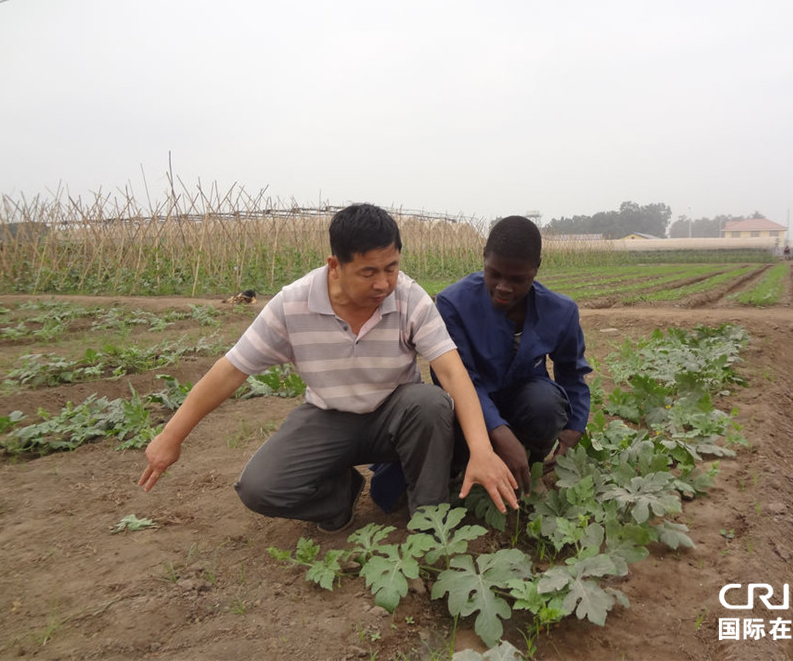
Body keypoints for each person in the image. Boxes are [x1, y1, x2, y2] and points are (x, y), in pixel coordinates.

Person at [139, 204, 518, 531]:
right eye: (369, 272)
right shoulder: (293, 305)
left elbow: (452, 371)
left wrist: (481, 449)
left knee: (431, 402)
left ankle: (431, 522)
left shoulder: (408, 296)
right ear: (335, 266)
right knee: (261, 487)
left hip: (395, 415)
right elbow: (231, 370)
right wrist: (172, 437)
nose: (384, 283)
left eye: (392, 267)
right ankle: (340, 498)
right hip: (328, 416)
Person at [434, 216, 592, 495]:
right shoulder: (453, 303)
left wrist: (575, 426)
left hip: (524, 404)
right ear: (484, 257)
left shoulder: (560, 311)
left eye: (518, 279)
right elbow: (462, 380)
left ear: (536, 268)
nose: (504, 287)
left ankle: (530, 465)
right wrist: (498, 431)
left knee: (545, 402)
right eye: (494, 274)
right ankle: (468, 466)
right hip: (469, 410)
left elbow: (571, 373)